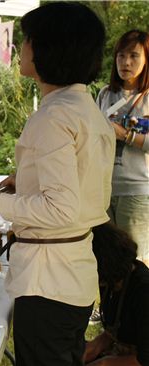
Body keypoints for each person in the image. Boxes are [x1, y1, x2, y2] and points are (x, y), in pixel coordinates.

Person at [0, 3, 114, 365]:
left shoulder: (54, 116)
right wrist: (25, 182)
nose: (20, 48)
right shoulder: (84, 107)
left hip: (49, 282)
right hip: (69, 274)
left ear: (49, 48)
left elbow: (60, 208)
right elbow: (81, 184)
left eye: (28, 40)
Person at [96, 30, 149, 266]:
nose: (126, 62)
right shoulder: (106, 94)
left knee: (134, 263)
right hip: (103, 190)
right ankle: (108, 305)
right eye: (121, 55)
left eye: (134, 56)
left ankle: (135, 304)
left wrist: (125, 135)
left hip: (137, 192)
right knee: (105, 262)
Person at [84, 222, 149, 366]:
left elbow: (144, 360)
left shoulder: (144, 293)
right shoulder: (113, 283)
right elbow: (111, 334)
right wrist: (87, 351)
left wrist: (104, 363)